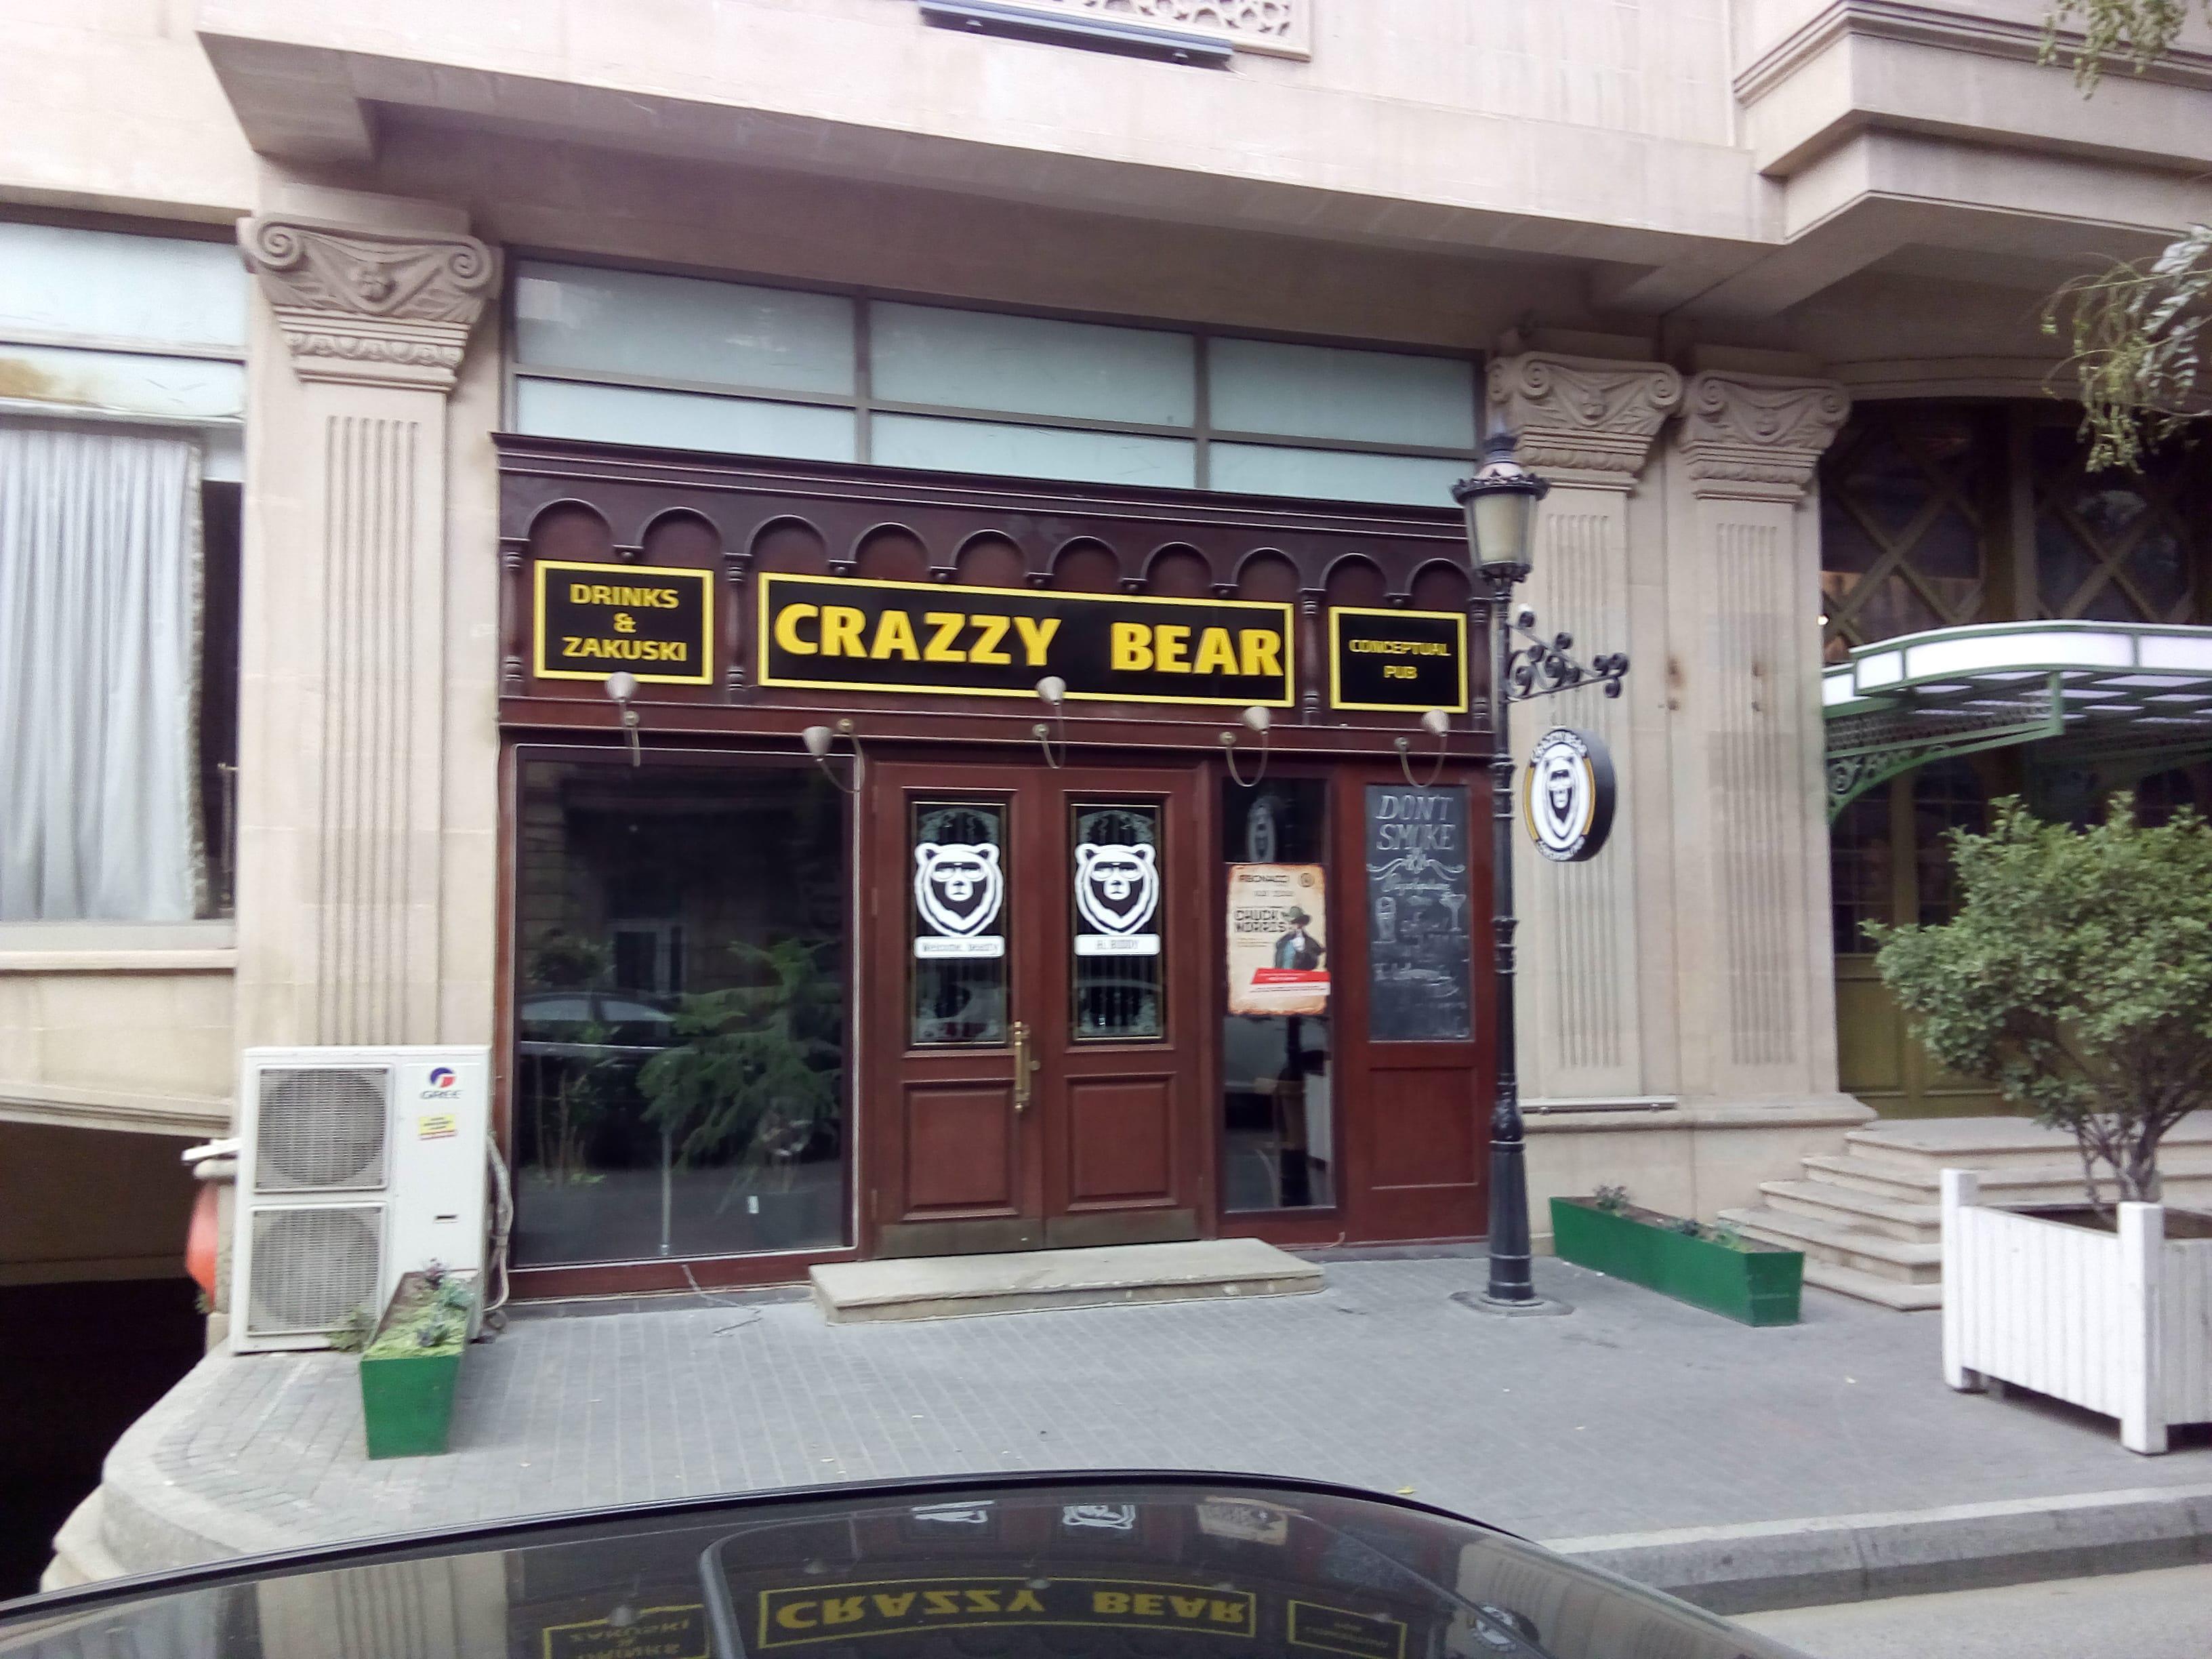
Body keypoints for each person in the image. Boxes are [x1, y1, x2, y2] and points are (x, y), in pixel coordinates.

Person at [1273, 908, 1324, 972]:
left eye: (1294, 923)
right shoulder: (1282, 941)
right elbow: (1278, 963)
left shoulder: (1309, 942)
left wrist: (1303, 951)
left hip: (1299, 976)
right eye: (1289, 923)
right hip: (1283, 976)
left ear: (1301, 924)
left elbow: (1313, 963)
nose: (1290, 926)